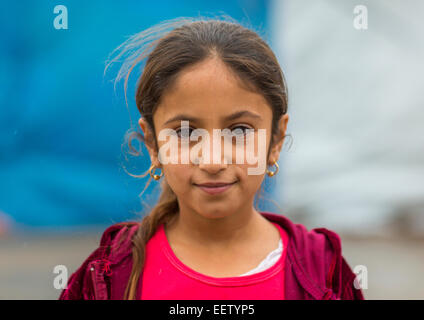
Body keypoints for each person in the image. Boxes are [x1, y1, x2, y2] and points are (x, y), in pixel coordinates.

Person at [59, 16, 364, 300]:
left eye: (240, 130)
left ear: (275, 140)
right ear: (153, 144)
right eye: (186, 132)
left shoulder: (321, 271)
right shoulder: (111, 276)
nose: (213, 160)